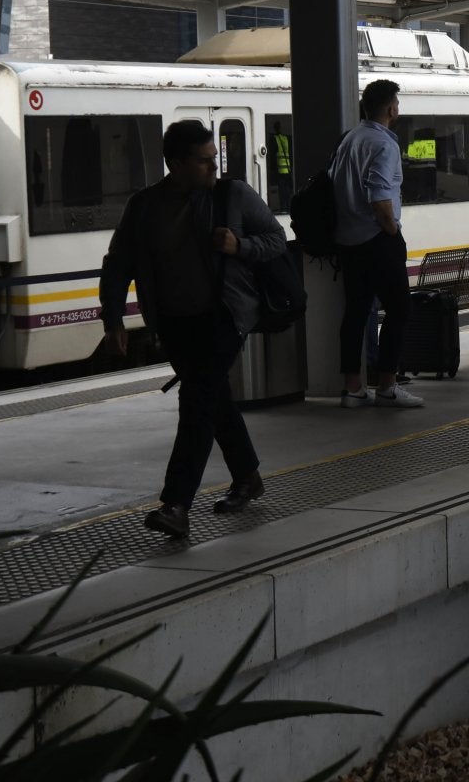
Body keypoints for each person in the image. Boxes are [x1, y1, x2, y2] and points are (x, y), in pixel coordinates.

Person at [100, 120, 286, 540]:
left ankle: (177, 504)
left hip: (224, 315)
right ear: (175, 163)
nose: (212, 169)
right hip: (173, 322)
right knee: (214, 398)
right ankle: (248, 476)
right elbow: (118, 264)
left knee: (197, 399)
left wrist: (241, 247)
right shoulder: (145, 206)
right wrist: (113, 319)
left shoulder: (231, 195)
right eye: (203, 162)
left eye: (214, 160)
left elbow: (276, 239)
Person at [330, 78, 424, 409]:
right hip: (377, 240)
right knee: (400, 310)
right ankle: (387, 385)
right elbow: (380, 198)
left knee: (356, 313)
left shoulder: (349, 140)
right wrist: (392, 229)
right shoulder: (383, 145)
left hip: (348, 242)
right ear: (391, 108)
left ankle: (353, 388)